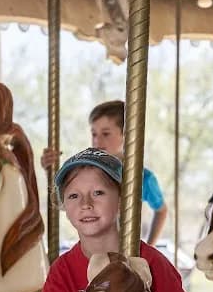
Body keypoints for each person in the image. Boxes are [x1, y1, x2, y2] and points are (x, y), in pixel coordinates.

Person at [29, 148, 203, 292]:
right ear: (64, 205)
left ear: (122, 200)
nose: (86, 203)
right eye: (73, 196)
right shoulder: (62, 271)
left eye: (98, 193)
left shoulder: (153, 263)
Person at [41, 100, 168, 245]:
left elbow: (161, 210)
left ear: (127, 134)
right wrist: (50, 172)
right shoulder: (86, 173)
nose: (97, 140)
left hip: (126, 248)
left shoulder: (143, 178)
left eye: (106, 134)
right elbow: (62, 203)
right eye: (94, 134)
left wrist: (150, 245)